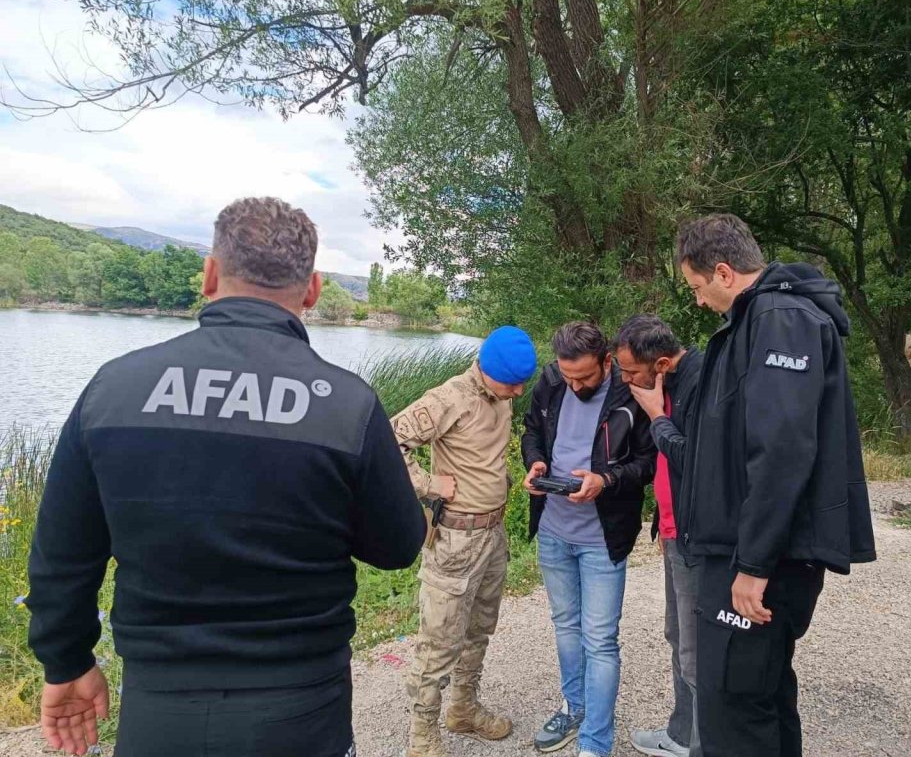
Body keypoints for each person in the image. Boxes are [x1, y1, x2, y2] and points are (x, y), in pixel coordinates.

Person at [26, 197, 426, 757]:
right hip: (301, 707)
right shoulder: (344, 404)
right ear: (310, 290)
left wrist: (65, 660)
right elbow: (398, 546)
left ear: (210, 274)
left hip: (159, 708)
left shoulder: (115, 387)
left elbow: (62, 553)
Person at [674, 213, 876, 757]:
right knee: (762, 693)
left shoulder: (779, 319)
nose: (698, 302)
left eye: (696, 288)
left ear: (722, 271)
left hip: (762, 559)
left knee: (733, 711)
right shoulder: (757, 320)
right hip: (748, 551)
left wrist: (754, 564)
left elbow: (782, 449)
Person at [394, 326, 537, 757]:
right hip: (454, 540)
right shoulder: (449, 398)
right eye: (511, 383)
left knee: (478, 631)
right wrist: (428, 482)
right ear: (485, 369)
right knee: (438, 643)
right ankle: (422, 739)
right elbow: (385, 440)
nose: (518, 391)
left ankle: (462, 708)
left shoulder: (502, 396)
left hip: (491, 536)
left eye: (522, 383)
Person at [521, 321, 657, 757]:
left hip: (603, 538)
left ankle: (596, 742)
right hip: (554, 531)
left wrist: (606, 479)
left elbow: (648, 462)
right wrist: (536, 463)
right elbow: (532, 432)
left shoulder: (629, 394)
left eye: (584, 376)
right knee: (565, 628)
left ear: (606, 361)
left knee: (599, 640)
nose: (575, 384)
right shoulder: (551, 381)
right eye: (568, 376)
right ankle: (573, 708)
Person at [613, 315, 704, 757]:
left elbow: (699, 461)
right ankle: (681, 734)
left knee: (696, 651)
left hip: (696, 537)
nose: (624, 379)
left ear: (662, 363)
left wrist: (655, 415)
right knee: (677, 636)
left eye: (630, 372)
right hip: (672, 531)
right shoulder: (665, 385)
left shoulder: (701, 385)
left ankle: (704, 745)